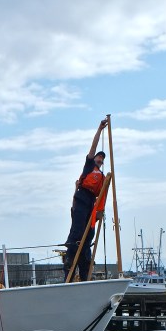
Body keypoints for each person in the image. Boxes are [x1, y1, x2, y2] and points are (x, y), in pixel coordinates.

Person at [64, 118, 109, 282]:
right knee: (77, 231)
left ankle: (85, 264)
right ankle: (70, 258)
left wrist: (99, 212)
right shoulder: (89, 166)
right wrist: (100, 129)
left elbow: (103, 195)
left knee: (88, 232)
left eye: (102, 160)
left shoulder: (103, 176)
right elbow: (93, 146)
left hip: (91, 201)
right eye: (98, 158)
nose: (100, 160)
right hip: (82, 196)